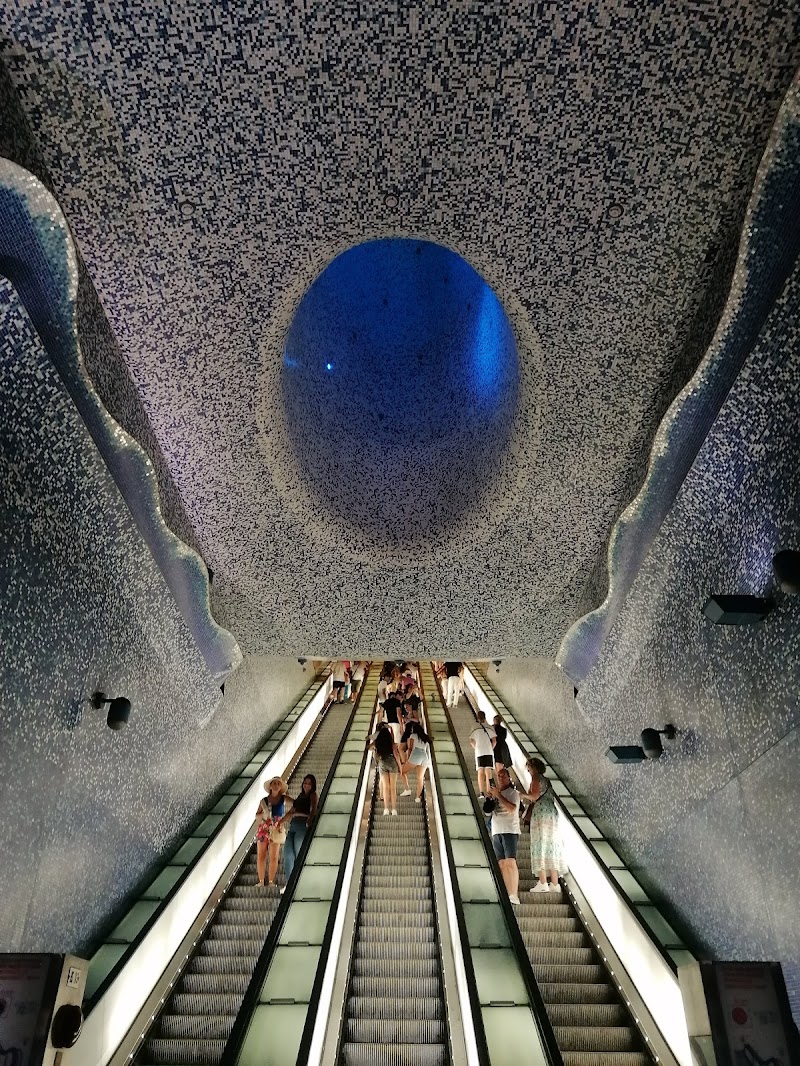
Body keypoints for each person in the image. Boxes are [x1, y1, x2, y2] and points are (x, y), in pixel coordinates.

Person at [522, 757, 561, 893]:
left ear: (533, 767)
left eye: (529, 767)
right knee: (551, 845)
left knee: (539, 844)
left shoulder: (536, 778)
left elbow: (534, 796)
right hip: (552, 812)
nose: (528, 770)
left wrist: (521, 794)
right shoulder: (547, 780)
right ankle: (555, 884)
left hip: (541, 813)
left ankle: (543, 882)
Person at [486, 766, 521, 905]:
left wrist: (499, 796)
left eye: (502, 776)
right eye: (498, 776)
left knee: (510, 862)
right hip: (496, 830)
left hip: (509, 830)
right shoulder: (495, 793)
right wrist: (490, 799)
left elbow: (512, 809)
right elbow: (488, 812)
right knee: (501, 863)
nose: (500, 778)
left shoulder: (514, 793)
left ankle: (514, 893)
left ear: (508, 778)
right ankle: (506, 892)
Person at [283, 773, 317, 883]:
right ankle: (290, 882)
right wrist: (279, 823)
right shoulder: (300, 796)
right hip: (293, 825)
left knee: (299, 852)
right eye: (305, 783)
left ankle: (301, 881)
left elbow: (313, 810)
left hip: (302, 825)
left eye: (309, 783)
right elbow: (291, 811)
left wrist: (308, 821)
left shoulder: (312, 795)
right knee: (288, 853)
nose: (306, 785)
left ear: (313, 786)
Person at [256, 777, 288, 888]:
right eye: (274, 783)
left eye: (278, 783)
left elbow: (294, 804)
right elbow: (257, 815)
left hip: (276, 828)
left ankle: (270, 881)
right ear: (270, 786)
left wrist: (281, 822)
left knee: (274, 856)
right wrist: (264, 815)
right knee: (261, 855)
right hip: (264, 827)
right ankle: (261, 881)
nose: (276, 785)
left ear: (280, 787)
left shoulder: (283, 799)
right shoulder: (264, 801)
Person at [369, 722, 402, 816]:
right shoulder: (390, 740)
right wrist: (400, 767)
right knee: (393, 788)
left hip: (382, 762)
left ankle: (386, 809)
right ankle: (394, 810)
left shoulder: (377, 741)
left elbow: (369, 747)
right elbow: (396, 754)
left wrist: (375, 745)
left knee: (386, 787)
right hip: (392, 762)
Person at [398, 719, 430, 801]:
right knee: (420, 778)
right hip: (425, 756)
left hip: (416, 754)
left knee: (402, 771)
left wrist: (408, 759)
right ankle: (417, 797)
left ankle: (407, 789)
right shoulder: (426, 737)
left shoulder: (412, 736)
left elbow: (410, 748)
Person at [469, 710, 496, 797]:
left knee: (480, 771)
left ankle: (481, 793)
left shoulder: (474, 727)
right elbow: (494, 741)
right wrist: (490, 748)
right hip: (488, 751)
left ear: (477, 717)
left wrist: (476, 748)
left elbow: (471, 741)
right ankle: (489, 792)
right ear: (485, 717)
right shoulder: (490, 727)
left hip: (479, 751)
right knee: (488, 772)